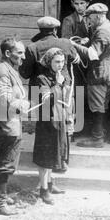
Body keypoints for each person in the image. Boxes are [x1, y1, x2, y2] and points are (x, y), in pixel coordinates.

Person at [19, 16, 80, 175]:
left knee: (45, 128)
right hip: (63, 90)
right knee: (64, 125)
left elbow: (24, 73)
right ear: (55, 30)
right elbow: (76, 60)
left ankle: (45, 161)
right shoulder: (66, 43)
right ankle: (61, 162)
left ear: (40, 30)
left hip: (42, 92)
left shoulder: (32, 47)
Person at [0, 37, 30, 215]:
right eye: (19, 53)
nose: (24, 57)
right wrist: (23, 104)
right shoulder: (2, 71)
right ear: (7, 53)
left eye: (24, 52)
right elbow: (4, 99)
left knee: (8, 161)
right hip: (5, 123)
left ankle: (1, 197)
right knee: (5, 162)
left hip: (12, 121)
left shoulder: (9, 68)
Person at [70, 3, 110, 148]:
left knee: (97, 107)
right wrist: (88, 42)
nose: (88, 21)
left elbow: (93, 54)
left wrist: (73, 45)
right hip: (109, 72)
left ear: (98, 16)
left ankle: (97, 139)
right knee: (102, 105)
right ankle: (100, 134)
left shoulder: (102, 31)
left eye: (90, 17)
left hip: (98, 74)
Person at [33, 48, 71, 204]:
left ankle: (50, 183)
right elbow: (47, 100)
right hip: (46, 121)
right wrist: (58, 84)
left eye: (62, 61)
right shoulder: (42, 79)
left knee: (54, 153)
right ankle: (43, 190)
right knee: (45, 156)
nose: (60, 65)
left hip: (59, 119)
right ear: (49, 62)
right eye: (57, 62)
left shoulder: (61, 76)